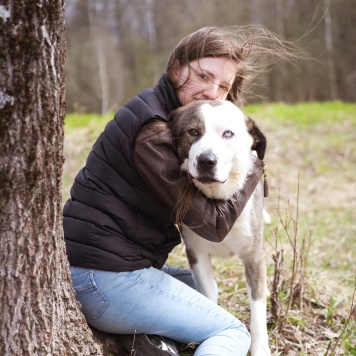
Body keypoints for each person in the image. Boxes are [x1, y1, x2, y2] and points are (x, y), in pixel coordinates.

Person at [63, 26, 291, 355]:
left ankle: (148, 343)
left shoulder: (165, 115)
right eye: (202, 75)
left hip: (98, 268)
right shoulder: (155, 131)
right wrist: (254, 164)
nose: (212, 91)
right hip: (103, 279)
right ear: (176, 67)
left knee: (194, 286)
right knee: (232, 331)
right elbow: (212, 226)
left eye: (223, 86)